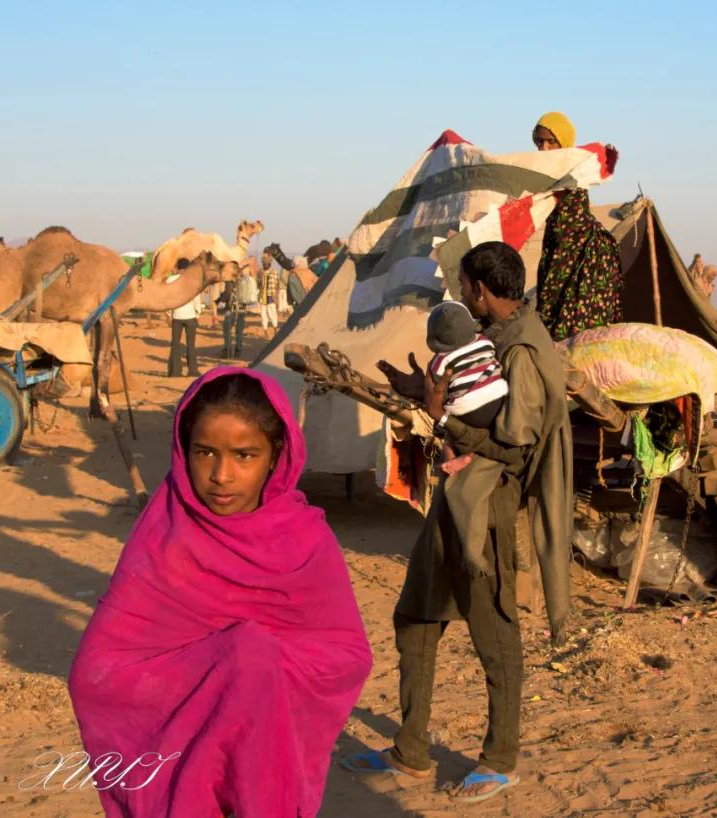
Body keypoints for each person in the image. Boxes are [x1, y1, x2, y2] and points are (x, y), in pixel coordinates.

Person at [68, 369, 372, 817]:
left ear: (277, 455)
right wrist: (221, 672)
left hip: (265, 762)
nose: (221, 475)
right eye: (205, 452)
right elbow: (98, 671)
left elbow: (344, 656)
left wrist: (254, 670)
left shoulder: (305, 543)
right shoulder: (165, 534)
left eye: (244, 455)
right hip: (179, 765)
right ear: (183, 449)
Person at [343, 242, 573, 803]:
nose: (462, 293)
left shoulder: (521, 351)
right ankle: (411, 752)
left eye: (465, 286)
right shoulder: (489, 340)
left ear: (479, 289)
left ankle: (499, 760)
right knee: (415, 618)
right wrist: (420, 394)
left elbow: (514, 449)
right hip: (458, 495)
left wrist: (441, 415)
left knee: (493, 631)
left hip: (487, 503)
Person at [426, 300, 510, 576]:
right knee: (487, 433)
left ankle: (454, 458)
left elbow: (435, 390)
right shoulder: (485, 342)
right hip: (497, 399)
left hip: (466, 410)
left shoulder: (438, 361)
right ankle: (471, 455)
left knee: (447, 428)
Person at [532, 111, 624, 341]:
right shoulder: (543, 179)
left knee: (584, 337)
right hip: (558, 256)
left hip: (587, 256)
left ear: (563, 142)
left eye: (550, 141)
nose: (544, 148)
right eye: (539, 142)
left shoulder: (576, 173)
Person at [167, 258, 203, 377]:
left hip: (176, 316)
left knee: (175, 344)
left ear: (178, 267)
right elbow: (196, 298)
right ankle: (192, 370)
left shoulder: (170, 280)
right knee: (191, 344)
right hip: (190, 316)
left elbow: (168, 298)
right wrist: (198, 313)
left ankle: (175, 371)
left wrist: (169, 313)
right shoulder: (193, 280)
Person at [219, 264, 254, 358]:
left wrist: (221, 300)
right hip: (242, 308)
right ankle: (238, 350)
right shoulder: (245, 280)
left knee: (227, 329)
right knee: (239, 330)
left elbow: (227, 292)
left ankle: (227, 349)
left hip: (231, 308)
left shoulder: (230, 280)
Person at [259, 255, 281, 337]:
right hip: (262, 296)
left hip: (270, 295)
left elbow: (277, 284)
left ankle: (275, 328)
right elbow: (258, 284)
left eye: (266, 263)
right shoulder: (260, 273)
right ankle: (265, 330)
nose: (264, 265)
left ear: (269, 264)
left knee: (272, 312)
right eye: (263, 263)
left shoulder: (274, 272)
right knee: (263, 313)